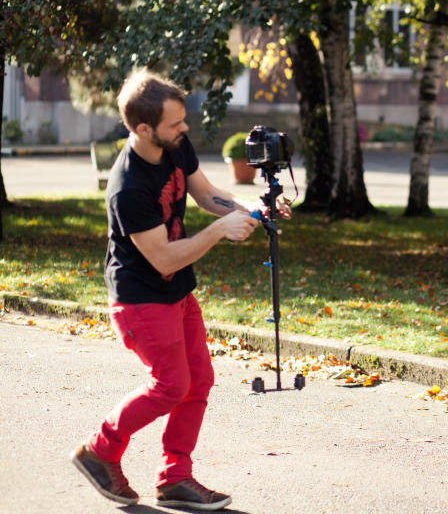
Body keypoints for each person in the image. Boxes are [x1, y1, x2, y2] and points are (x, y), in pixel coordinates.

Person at [71, 69, 290, 509]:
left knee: (198, 380)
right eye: (175, 123)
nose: (185, 128)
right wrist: (218, 231)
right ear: (143, 128)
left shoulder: (174, 145)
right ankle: (100, 450)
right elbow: (165, 257)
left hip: (177, 292)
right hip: (139, 299)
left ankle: (175, 478)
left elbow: (206, 192)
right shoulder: (128, 187)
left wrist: (251, 207)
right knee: (171, 384)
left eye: (182, 120)